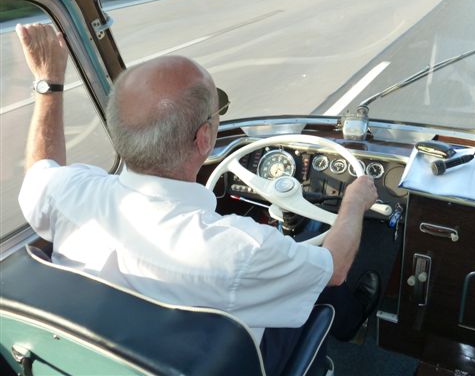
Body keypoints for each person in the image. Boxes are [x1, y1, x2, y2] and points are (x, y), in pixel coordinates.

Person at [17, 23, 380, 375]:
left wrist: (49, 83)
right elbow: (334, 269)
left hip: (101, 356)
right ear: (205, 138)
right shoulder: (242, 250)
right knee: (313, 288)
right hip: (226, 360)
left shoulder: (69, 191)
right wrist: (354, 201)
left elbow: (40, 171)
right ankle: (350, 320)